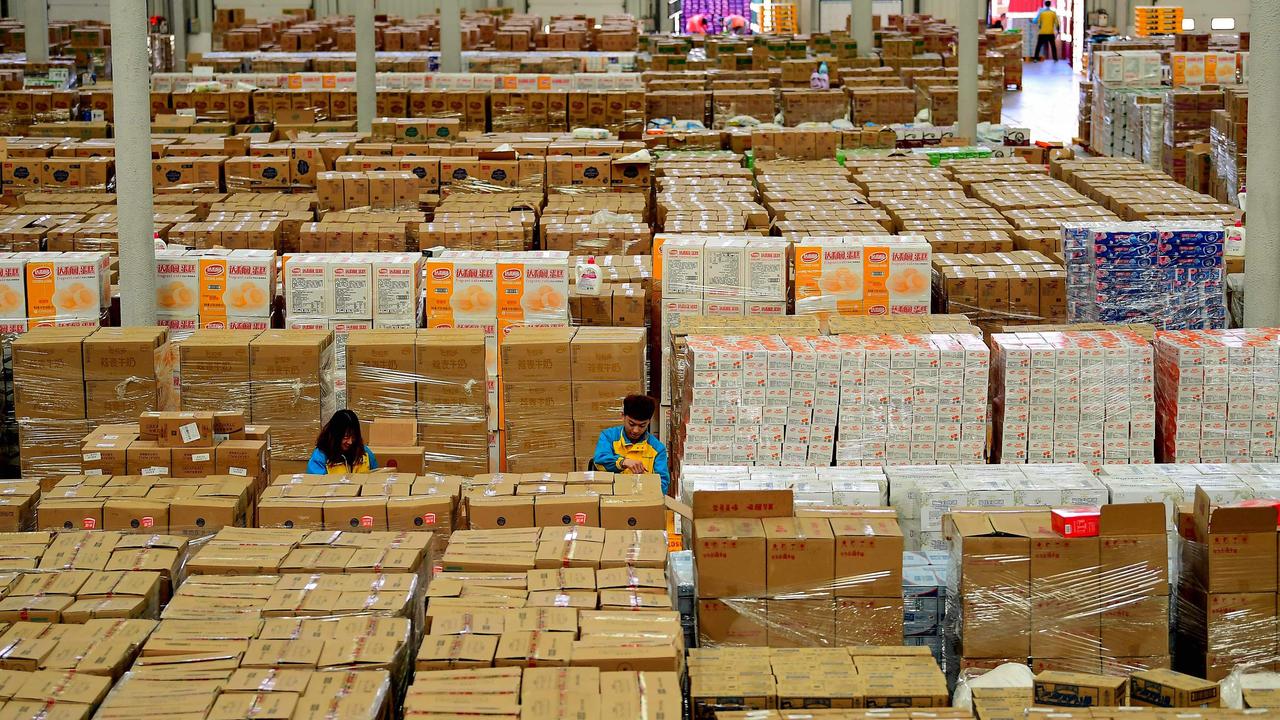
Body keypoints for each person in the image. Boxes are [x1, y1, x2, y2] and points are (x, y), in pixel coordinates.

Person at [592, 394, 670, 494]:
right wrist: (623, 462)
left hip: (643, 500)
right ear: (623, 416)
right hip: (611, 498)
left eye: (642, 425)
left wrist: (644, 483)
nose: (636, 430)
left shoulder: (658, 449)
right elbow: (599, 461)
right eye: (631, 424)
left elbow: (663, 484)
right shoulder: (609, 437)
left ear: (649, 422)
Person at [307, 409, 378, 474]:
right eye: (346, 437)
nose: (350, 442)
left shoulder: (365, 453)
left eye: (353, 437)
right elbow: (317, 483)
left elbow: (376, 478)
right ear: (335, 435)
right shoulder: (320, 457)